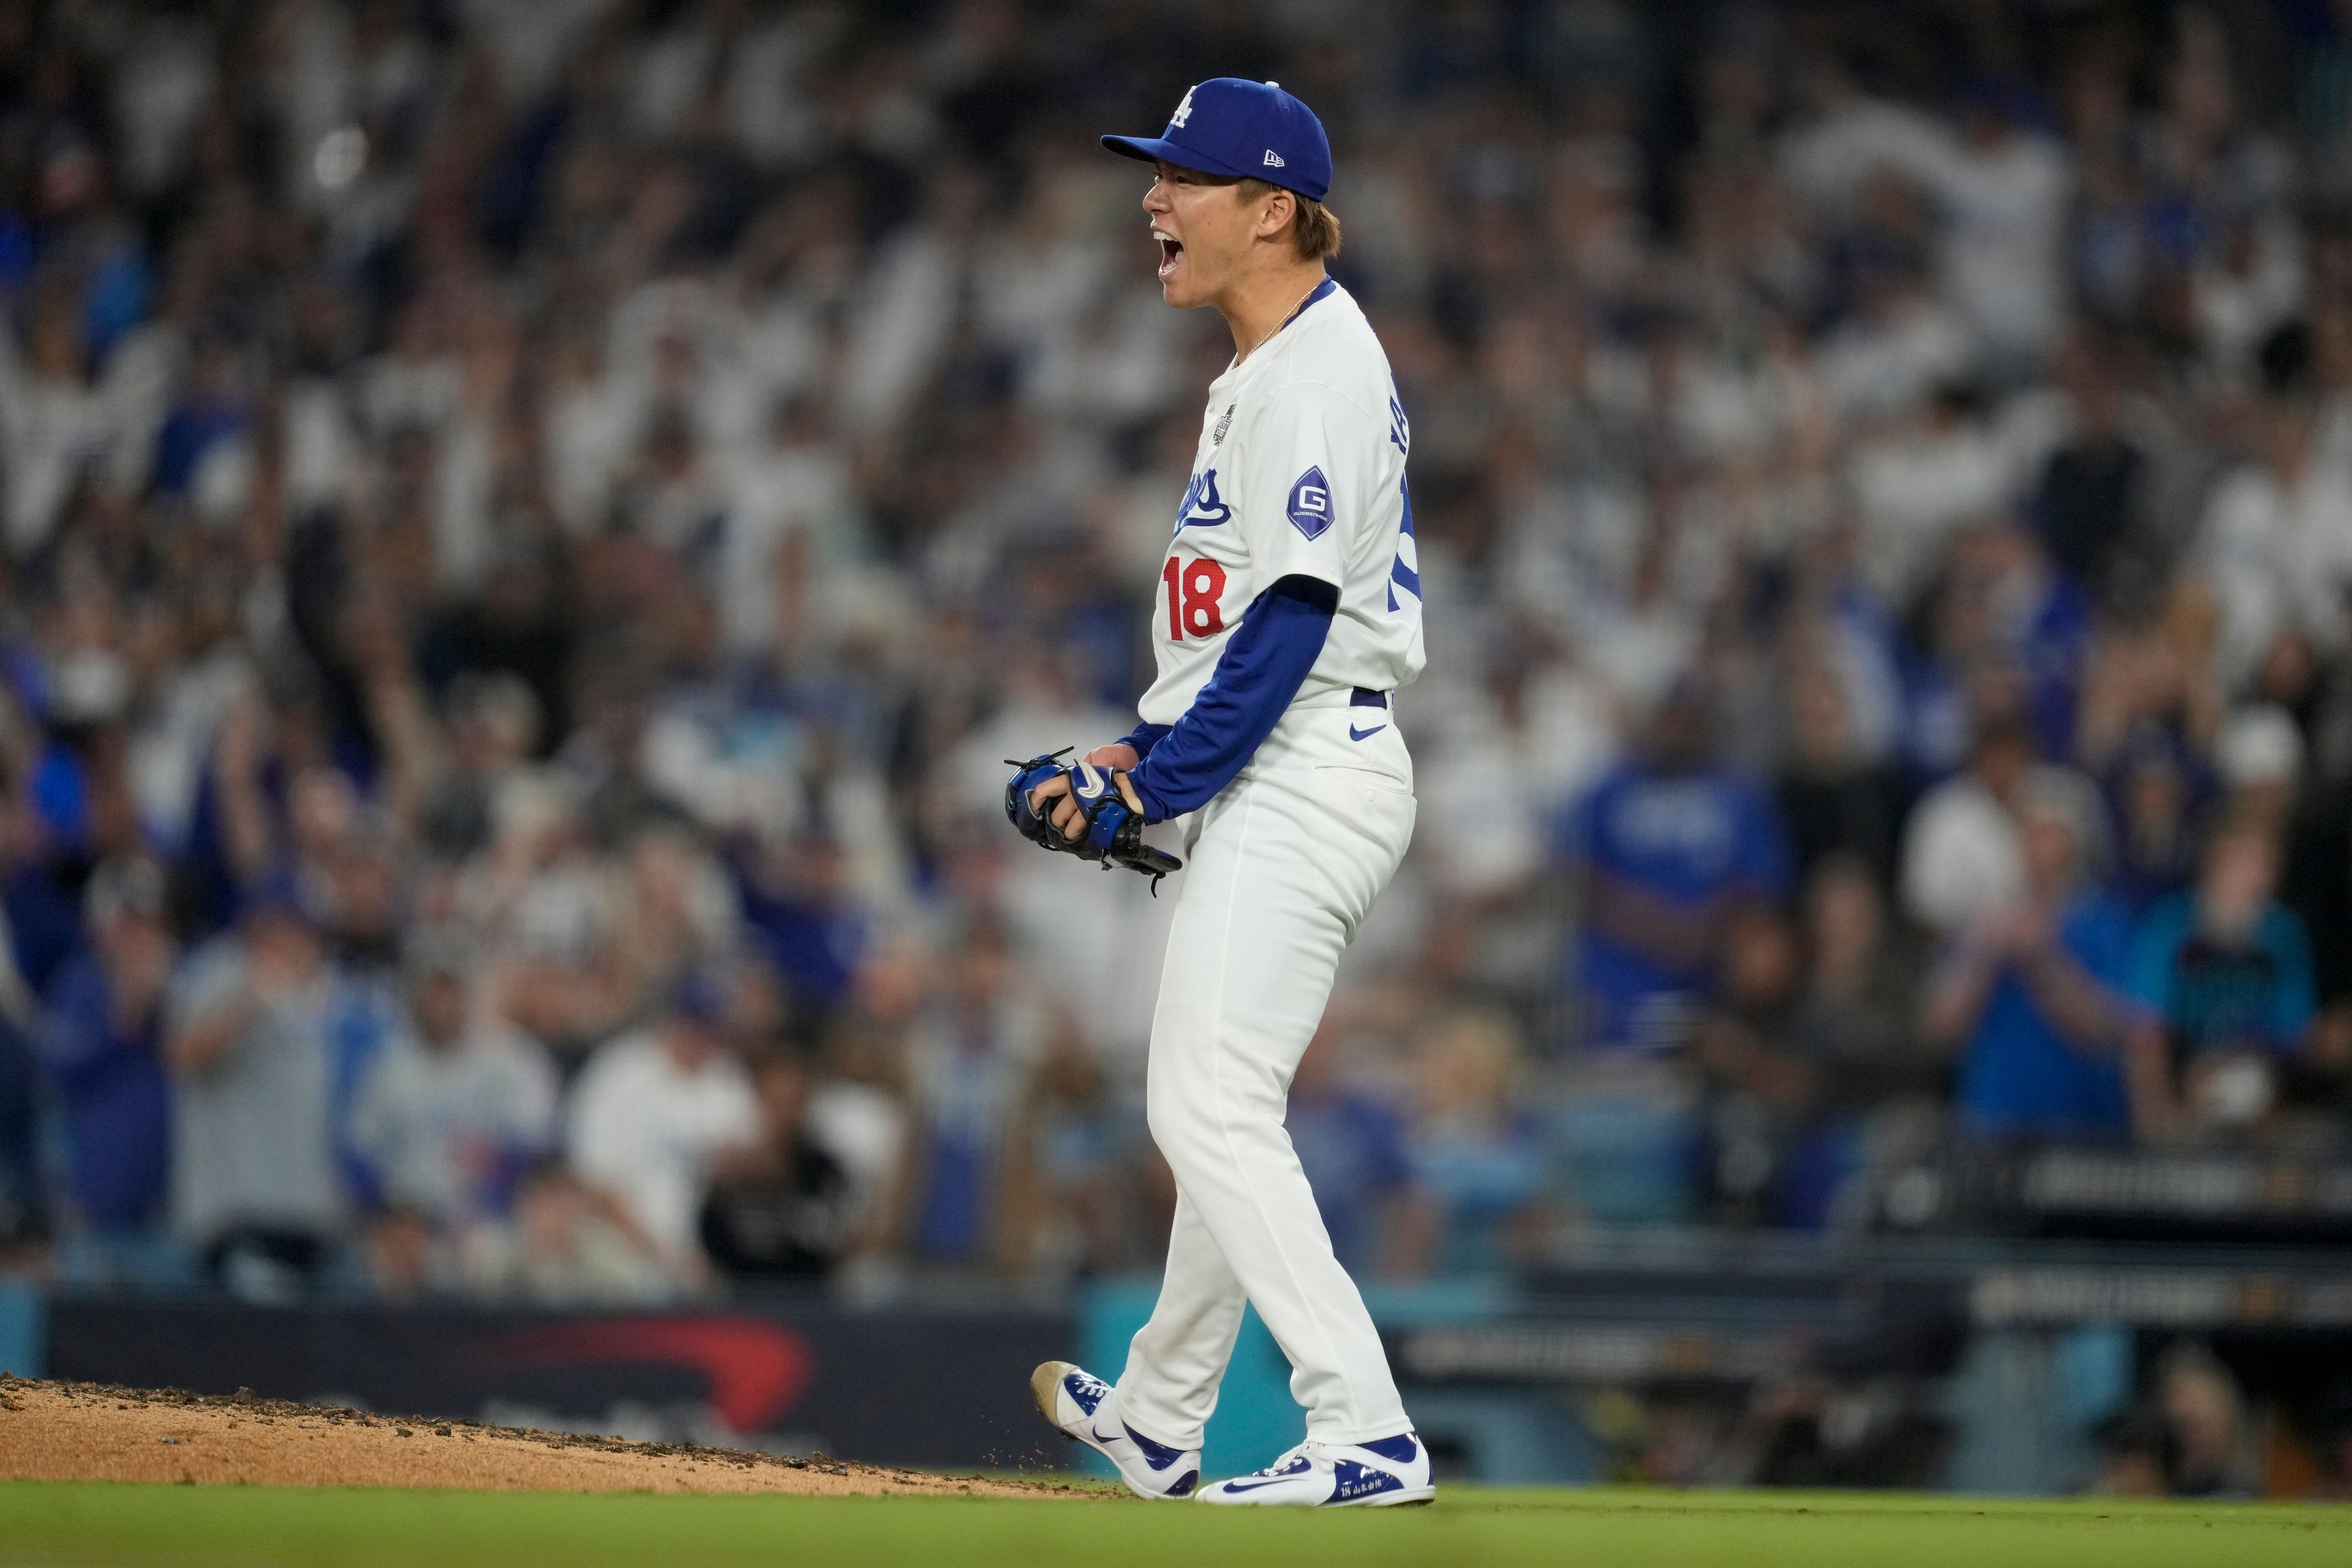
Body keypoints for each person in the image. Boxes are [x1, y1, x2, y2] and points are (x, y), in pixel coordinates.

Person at [1020, 80, 1434, 1507]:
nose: (1153, 198)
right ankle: (1159, 1407)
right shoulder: (1267, 367)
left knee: (1198, 1098)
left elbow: (1295, 618)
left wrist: (1163, 782)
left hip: (1305, 760)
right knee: (1227, 1100)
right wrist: (1131, 762)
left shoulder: (1314, 368)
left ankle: (1361, 1425)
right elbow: (1232, 638)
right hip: (1283, 758)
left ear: (1272, 208)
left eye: (1184, 177)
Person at [1920, 779, 2133, 1142]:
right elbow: (1938, 1029)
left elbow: (2107, 1032)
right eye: (2027, 834)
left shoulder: (2104, 922)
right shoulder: (1984, 921)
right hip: (1991, 1124)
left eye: (2049, 835)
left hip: (2082, 1128)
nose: (2036, 848)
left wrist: (2041, 960)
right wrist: (1983, 955)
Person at [2122, 813, 2314, 1142]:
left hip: (2258, 1098)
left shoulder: (2283, 931)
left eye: (2270, 866)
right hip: (2179, 1095)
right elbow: (2144, 1030)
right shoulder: (2169, 925)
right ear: (2214, 862)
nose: (2263, 879)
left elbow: (2295, 1033)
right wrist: (2159, 1123)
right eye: (2250, 863)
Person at [565, 965, 761, 1287]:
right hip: (621, 1254)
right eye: (694, 1025)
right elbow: (595, 1182)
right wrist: (664, 1255)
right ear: (671, 1021)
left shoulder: (729, 1079)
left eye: (711, 1027)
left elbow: (747, 1172)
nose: (702, 1036)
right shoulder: (620, 1071)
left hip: (706, 1257)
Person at [36, 857, 176, 1234]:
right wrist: (123, 1018)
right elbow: (56, 1071)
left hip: (169, 1201)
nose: (136, 935)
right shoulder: (77, 984)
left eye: (145, 922)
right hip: (93, 1195)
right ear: (98, 928)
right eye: (125, 924)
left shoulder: (184, 985)